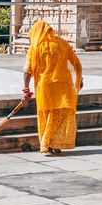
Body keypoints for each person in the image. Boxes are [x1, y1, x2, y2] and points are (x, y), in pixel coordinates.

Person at [22, 21, 83, 156]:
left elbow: (27, 72)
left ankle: (47, 144)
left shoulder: (36, 47)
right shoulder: (62, 43)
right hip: (64, 86)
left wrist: (26, 91)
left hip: (46, 87)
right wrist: (79, 80)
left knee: (47, 115)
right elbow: (77, 64)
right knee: (60, 115)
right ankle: (57, 143)